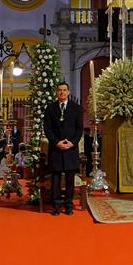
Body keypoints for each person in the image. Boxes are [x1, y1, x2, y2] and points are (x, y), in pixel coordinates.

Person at [42, 82, 83, 215]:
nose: (62, 92)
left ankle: (69, 204)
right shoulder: (50, 108)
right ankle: (57, 204)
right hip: (56, 148)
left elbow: (79, 129)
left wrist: (72, 143)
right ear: (56, 93)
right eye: (59, 90)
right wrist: (56, 142)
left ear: (68, 92)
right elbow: (47, 129)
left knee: (70, 178)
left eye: (64, 90)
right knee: (56, 178)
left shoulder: (76, 108)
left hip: (71, 148)